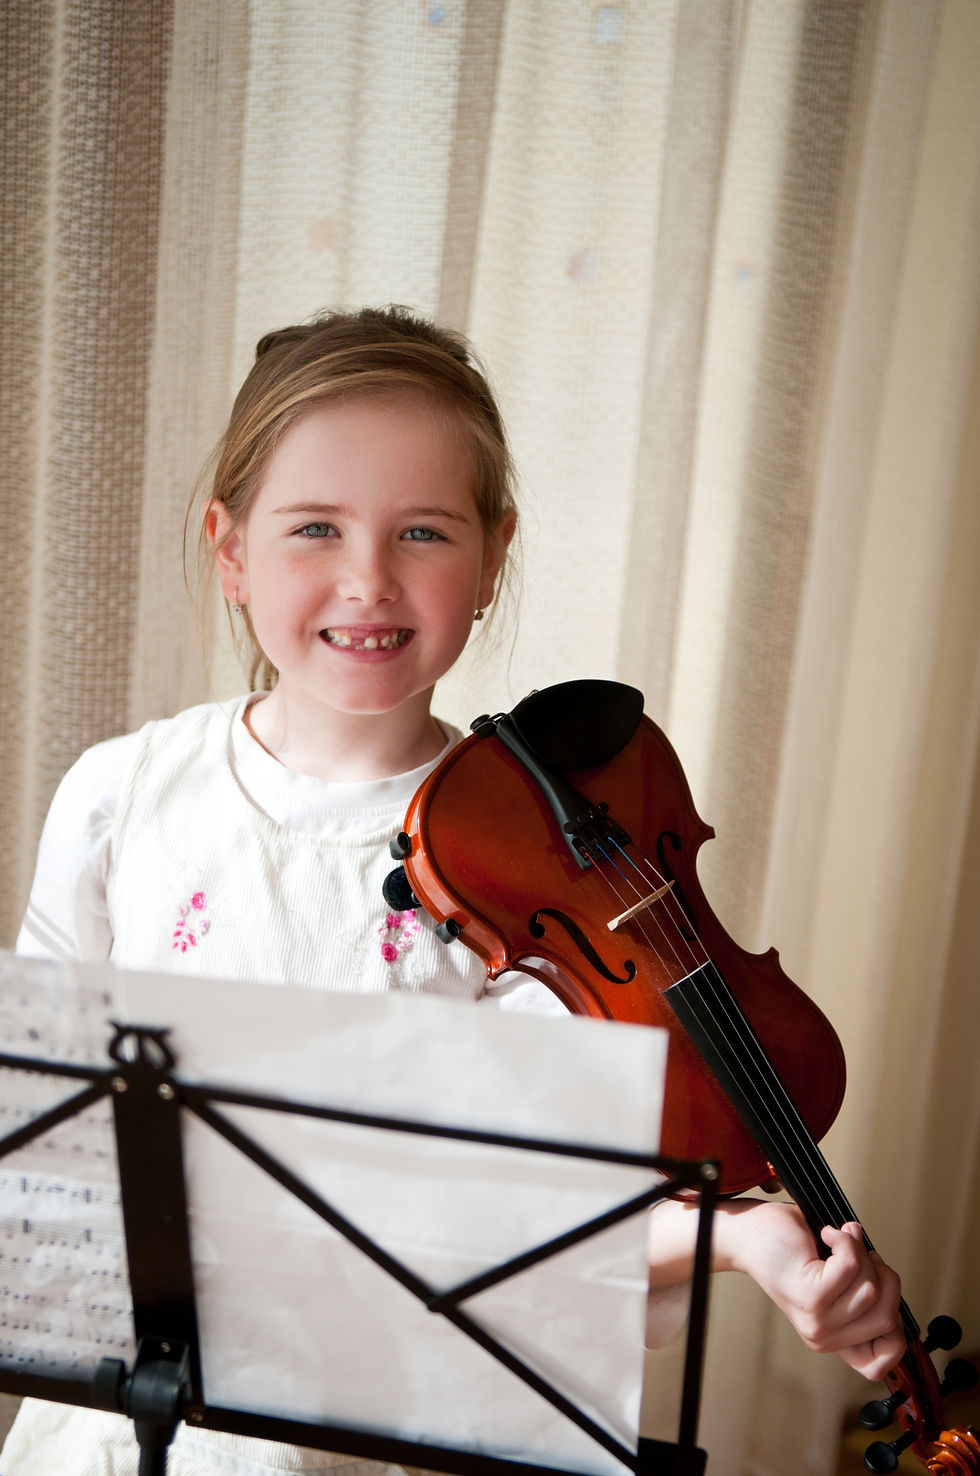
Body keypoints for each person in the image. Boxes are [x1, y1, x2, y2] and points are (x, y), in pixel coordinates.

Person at [3, 307, 903, 1476]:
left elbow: (530, 1210)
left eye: (422, 531)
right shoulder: (120, 798)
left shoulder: (540, 868)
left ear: (490, 559)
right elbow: (39, 1125)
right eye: (314, 527)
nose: (367, 581)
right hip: (134, 1418)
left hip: (368, 1430)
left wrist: (750, 1236)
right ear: (230, 551)